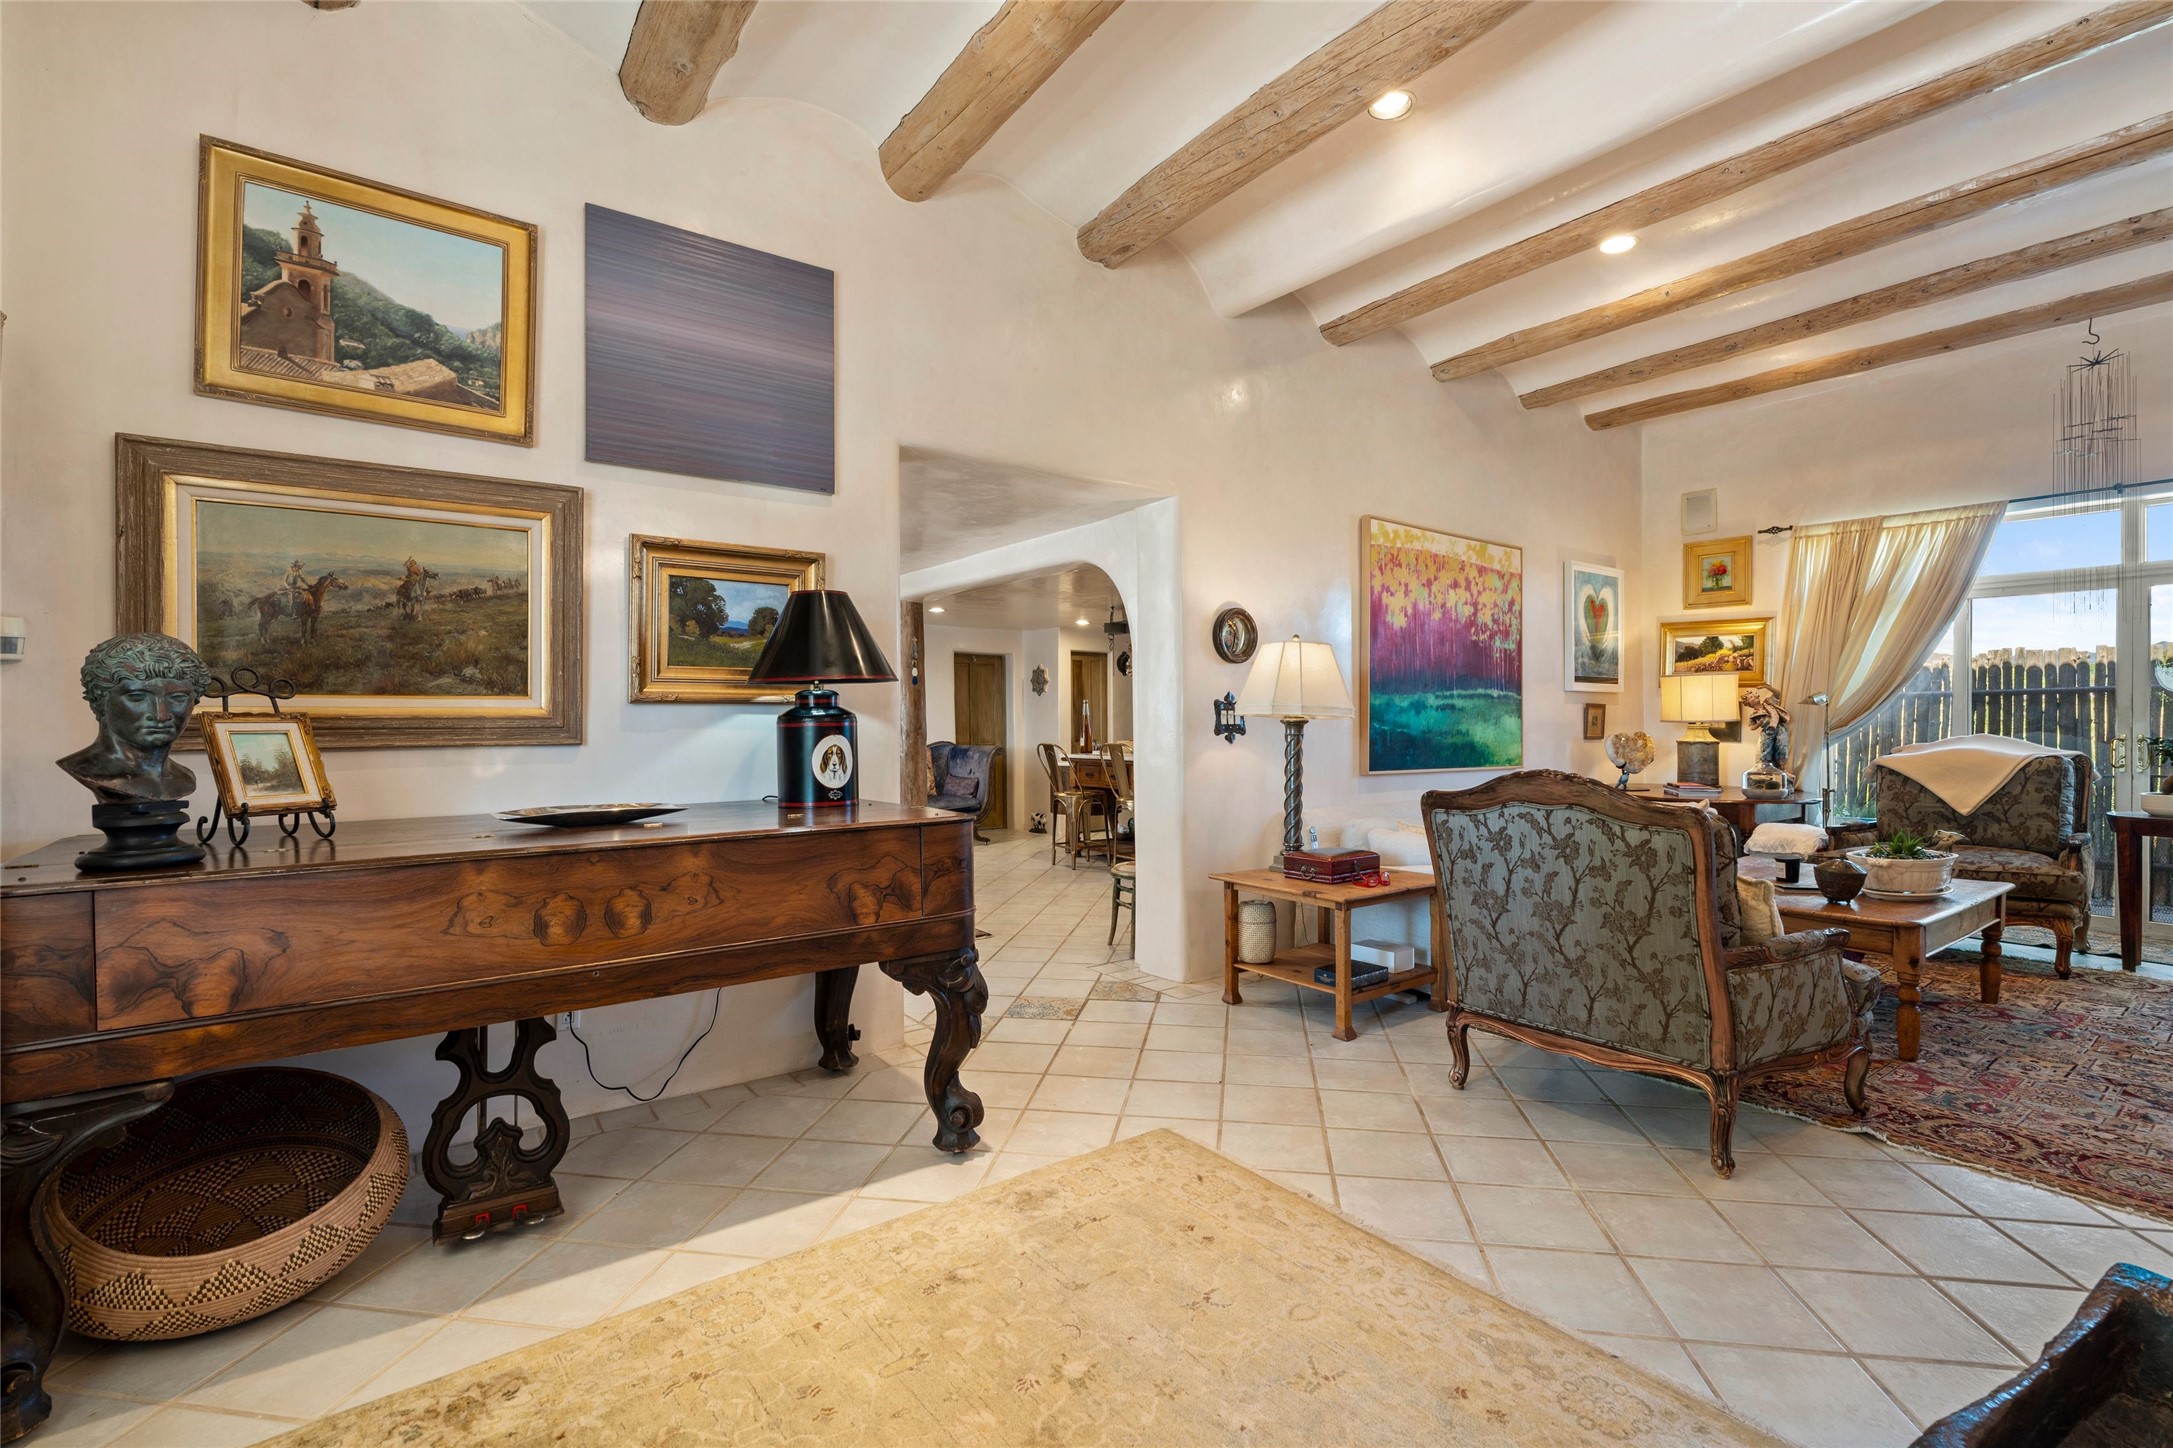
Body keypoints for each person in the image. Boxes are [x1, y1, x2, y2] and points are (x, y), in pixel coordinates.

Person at [56, 633, 215, 803]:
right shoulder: (90, 771)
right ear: (98, 701)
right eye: (137, 697)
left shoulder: (184, 777)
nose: (161, 715)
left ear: (194, 701)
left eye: (177, 698)